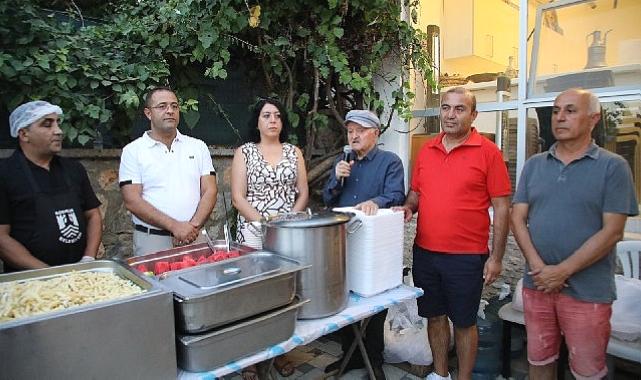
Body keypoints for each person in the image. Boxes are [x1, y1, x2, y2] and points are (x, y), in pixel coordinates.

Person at [511, 88, 638, 380]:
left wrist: (562, 271)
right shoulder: (534, 165)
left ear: (593, 118)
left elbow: (613, 231)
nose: (560, 118)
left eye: (570, 110)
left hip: (588, 291)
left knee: (587, 370)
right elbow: (518, 218)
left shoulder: (612, 167)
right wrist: (540, 268)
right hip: (538, 285)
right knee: (539, 361)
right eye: (556, 111)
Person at [396, 87, 511, 380]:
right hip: (426, 252)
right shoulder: (427, 150)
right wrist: (409, 207)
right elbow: (417, 192)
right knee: (434, 317)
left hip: (467, 257)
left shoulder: (488, 153)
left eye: (459, 109)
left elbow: (502, 208)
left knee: (464, 322)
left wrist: (496, 258)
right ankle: (440, 373)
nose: (450, 114)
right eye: (445, 107)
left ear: (473, 115)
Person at [322, 109, 406, 380]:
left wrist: (376, 202)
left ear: (376, 133)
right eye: (350, 131)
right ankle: (349, 356)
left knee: (376, 304)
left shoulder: (390, 161)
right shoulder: (344, 161)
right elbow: (327, 198)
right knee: (346, 299)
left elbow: (396, 194)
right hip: (346, 242)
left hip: (377, 246)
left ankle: (373, 360)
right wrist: (337, 177)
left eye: (360, 130)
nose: (354, 135)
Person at [230, 98, 308, 380]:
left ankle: (279, 350)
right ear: (258, 122)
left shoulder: (293, 152)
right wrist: (263, 223)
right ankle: (250, 356)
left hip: (286, 231)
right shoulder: (245, 152)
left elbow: (303, 193)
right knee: (251, 293)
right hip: (252, 230)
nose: (273, 120)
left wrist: (286, 222)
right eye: (266, 115)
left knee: (282, 291)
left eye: (277, 115)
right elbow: (238, 197)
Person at [0, 101, 102, 272]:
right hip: (30, 282)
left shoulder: (74, 169)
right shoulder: (6, 174)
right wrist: (49, 273)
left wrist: (88, 259)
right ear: (24, 134)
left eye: (57, 123)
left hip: (81, 276)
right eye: (47, 125)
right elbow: (1, 238)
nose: (58, 131)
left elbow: (93, 215)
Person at [119, 87, 217, 256]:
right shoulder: (133, 151)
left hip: (194, 237)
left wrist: (192, 226)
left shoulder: (198, 146)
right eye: (162, 106)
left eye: (174, 106)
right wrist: (175, 227)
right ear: (148, 113)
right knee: (155, 282)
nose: (170, 111)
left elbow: (210, 190)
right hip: (153, 242)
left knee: (199, 281)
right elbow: (132, 200)